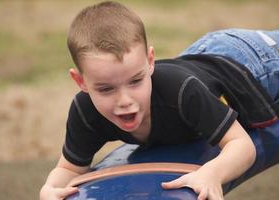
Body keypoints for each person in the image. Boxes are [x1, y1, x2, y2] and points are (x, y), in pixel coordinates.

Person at [39, 1, 279, 200]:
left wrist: (212, 173)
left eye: (135, 81)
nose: (125, 100)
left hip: (253, 61)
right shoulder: (84, 111)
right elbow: (69, 168)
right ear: (81, 82)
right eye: (106, 89)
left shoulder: (183, 93)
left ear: (150, 61)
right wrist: (49, 189)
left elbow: (242, 146)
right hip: (201, 62)